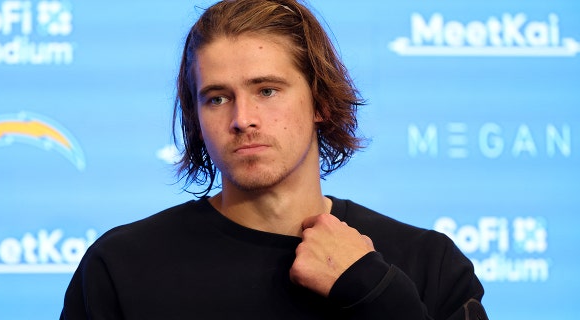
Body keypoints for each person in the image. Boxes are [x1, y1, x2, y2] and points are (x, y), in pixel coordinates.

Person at [61, 0, 488, 319]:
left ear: (319, 101)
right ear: (196, 116)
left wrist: (371, 290)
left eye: (267, 90)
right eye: (217, 98)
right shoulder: (121, 267)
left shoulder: (427, 263)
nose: (242, 119)